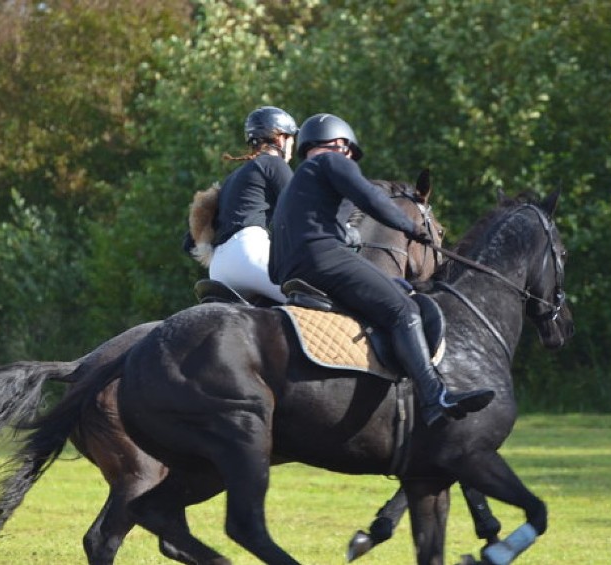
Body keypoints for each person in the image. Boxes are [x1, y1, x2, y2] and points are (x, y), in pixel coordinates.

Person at [269, 113, 494, 426]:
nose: (350, 160)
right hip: (322, 258)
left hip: (291, 270)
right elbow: (371, 198)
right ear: (341, 145)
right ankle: (434, 397)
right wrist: (411, 227)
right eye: (349, 154)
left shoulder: (299, 182)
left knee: (397, 289)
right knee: (404, 311)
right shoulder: (333, 162)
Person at [202, 105, 299, 303]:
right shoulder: (274, 163)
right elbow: (300, 209)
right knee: (319, 300)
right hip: (250, 254)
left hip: (218, 268)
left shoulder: (232, 178)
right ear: (280, 138)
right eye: (291, 139)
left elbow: (190, 241)